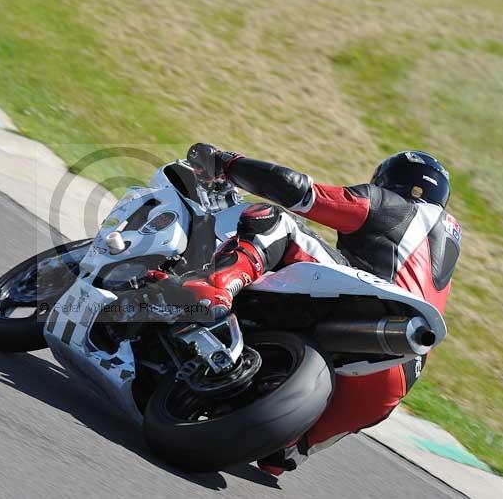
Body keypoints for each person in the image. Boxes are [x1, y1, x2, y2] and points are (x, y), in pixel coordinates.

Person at [178, 143, 461, 475]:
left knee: (275, 221)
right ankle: (287, 442)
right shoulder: (446, 253)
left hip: (367, 306)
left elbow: (300, 192)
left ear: (392, 181)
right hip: (395, 376)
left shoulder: (394, 206)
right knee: (279, 458)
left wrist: (226, 164)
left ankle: (216, 286)